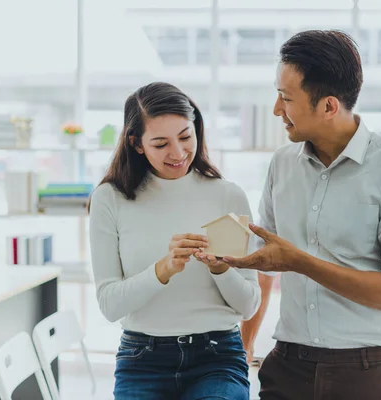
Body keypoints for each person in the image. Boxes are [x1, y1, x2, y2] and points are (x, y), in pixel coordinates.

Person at [232, 30, 381, 399]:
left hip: (368, 371)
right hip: (287, 366)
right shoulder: (282, 164)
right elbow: (266, 261)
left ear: (328, 106)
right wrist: (243, 347)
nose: (277, 110)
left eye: (285, 98)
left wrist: (300, 262)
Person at [88, 82, 261, 400]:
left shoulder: (228, 195)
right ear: (136, 144)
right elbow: (110, 305)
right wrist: (163, 270)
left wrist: (221, 269)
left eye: (185, 137)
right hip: (142, 359)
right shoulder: (109, 199)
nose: (178, 153)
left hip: (218, 356)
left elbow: (248, 305)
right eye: (160, 143)